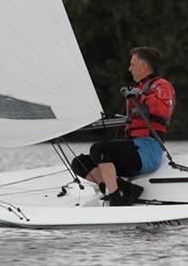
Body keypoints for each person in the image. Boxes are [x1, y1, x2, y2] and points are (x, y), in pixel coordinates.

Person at [71, 47, 176, 206]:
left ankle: (116, 196)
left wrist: (139, 96)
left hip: (148, 149)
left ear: (144, 66)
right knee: (79, 163)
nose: (129, 68)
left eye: (132, 64)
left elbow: (163, 109)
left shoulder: (161, 85)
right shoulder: (138, 89)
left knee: (99, 149)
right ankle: (124, 189)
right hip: (134, 149)